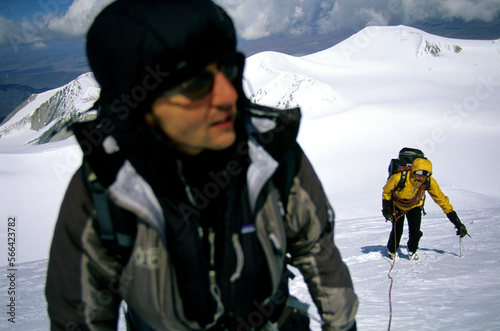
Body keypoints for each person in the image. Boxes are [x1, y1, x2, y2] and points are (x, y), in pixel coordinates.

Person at [45, 0, 358, 330]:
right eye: (195, 84)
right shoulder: (105, 187)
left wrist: (342, 324)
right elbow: (80, 316)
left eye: (229, 68)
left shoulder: (271, 151)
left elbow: (316, 249)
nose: (227, 96)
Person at [382, 157, 468, 260]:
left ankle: (412, 250)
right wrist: (386, 209)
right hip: (397, 205)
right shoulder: (399, 177)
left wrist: (457, 223)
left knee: (415, 231)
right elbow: (386, 192)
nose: (421, 178)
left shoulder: (429, 182)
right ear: (413, 171)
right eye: (418, 174)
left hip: (415, 206)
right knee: (397, 230)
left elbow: (442, 200)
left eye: (425, 175)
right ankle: (392, 250)